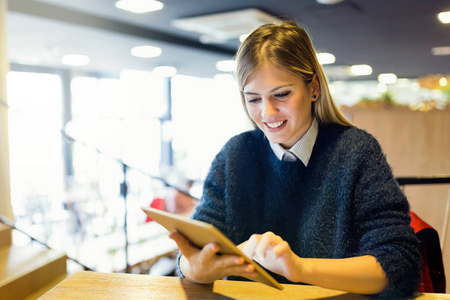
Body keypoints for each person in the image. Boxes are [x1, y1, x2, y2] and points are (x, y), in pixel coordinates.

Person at [169, 21, 421, 298]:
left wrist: (300, 269)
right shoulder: (234, 155)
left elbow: (400, 265)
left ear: (313, 87)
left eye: (281, 94)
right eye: (253, 99)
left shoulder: (356, 152)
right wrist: (193, 267)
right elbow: (195, 251)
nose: (267, 112)